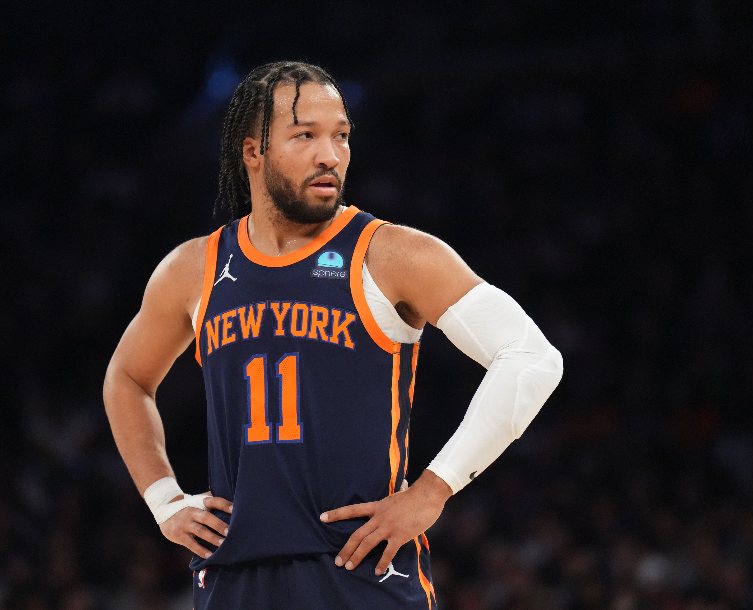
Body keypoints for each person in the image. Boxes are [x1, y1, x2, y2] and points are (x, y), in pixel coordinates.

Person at [103, 61, 564, 609]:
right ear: (253, 152)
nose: (331, 155)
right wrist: (164, 500)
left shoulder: (392, 254)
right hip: (235, 577)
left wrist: (434, 489)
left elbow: (531, 357)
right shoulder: (192, 269)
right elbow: (127, 379)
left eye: (341, 136)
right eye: (305, 136)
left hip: (361, 572)